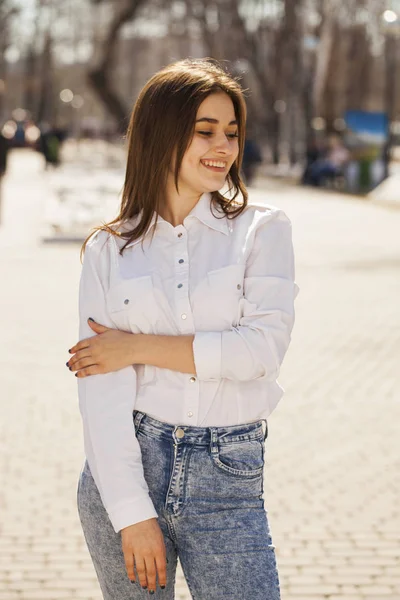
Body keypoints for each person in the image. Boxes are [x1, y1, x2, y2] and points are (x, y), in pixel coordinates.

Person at [66, 58, 299, 599]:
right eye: (205, 131)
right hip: (126, 469)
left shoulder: (262, 231)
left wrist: (135, 347)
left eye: (233, 133)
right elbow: (101, 390)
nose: (224, 146)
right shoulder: (109, 248)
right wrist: (130, 513)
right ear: (161, 133)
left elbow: (260, 351)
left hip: (228, 477)